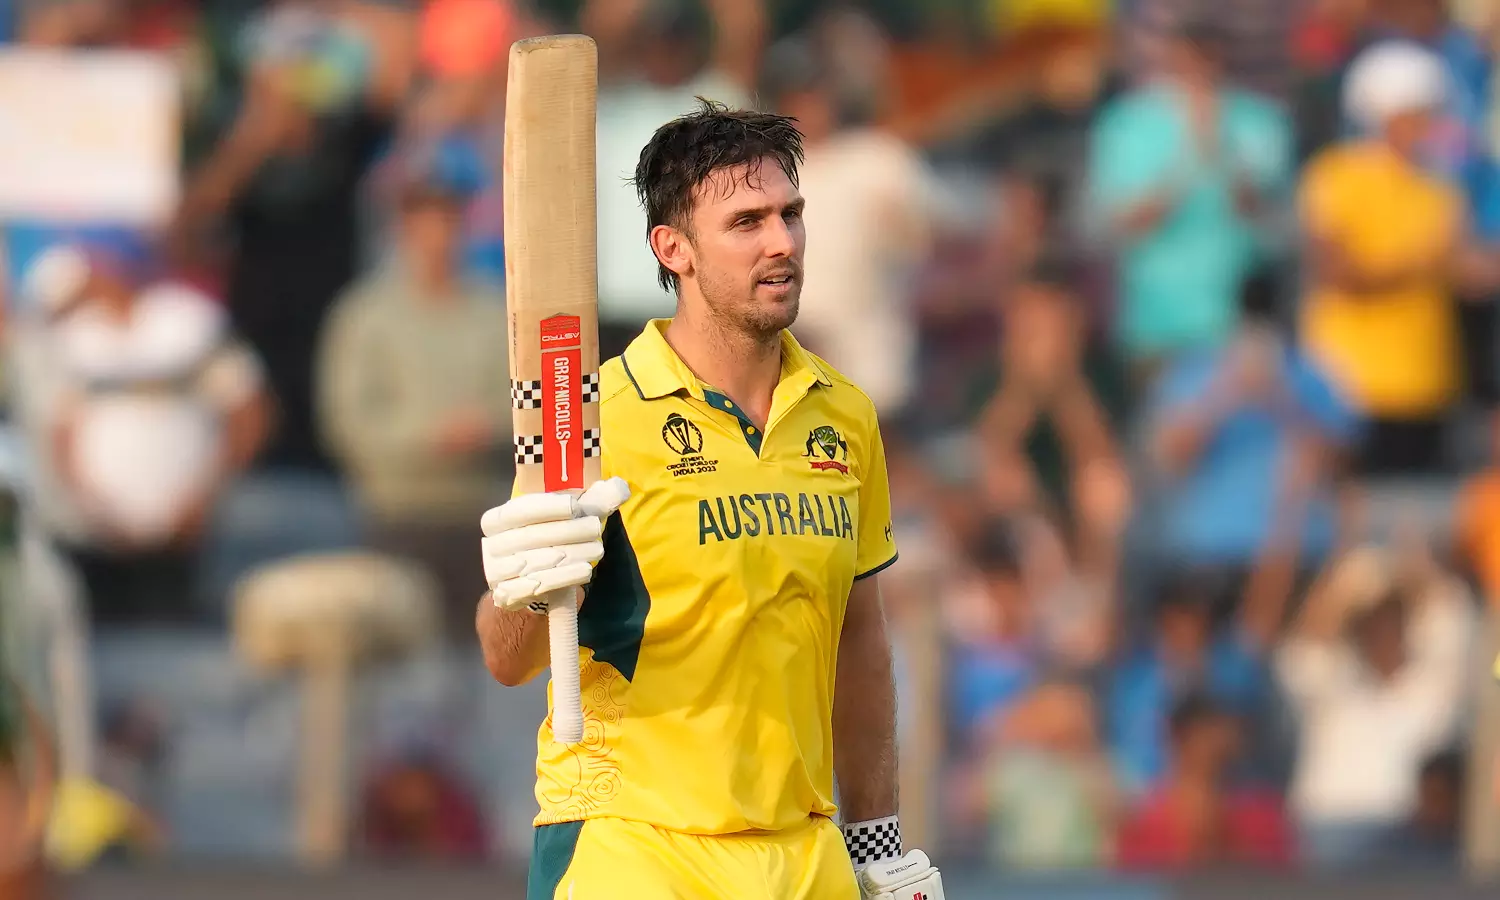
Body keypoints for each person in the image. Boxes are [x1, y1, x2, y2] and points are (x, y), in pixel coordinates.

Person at [474, 102, 943, 900]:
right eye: (747, 222)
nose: (782, 242)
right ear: (674, 249)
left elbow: (858, 638)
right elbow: (506, 657)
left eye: (791, 214)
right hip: (633, 843)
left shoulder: (845, 415)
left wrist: (878, 844)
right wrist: (528, 583)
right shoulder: (595, 419)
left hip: (801, 851)